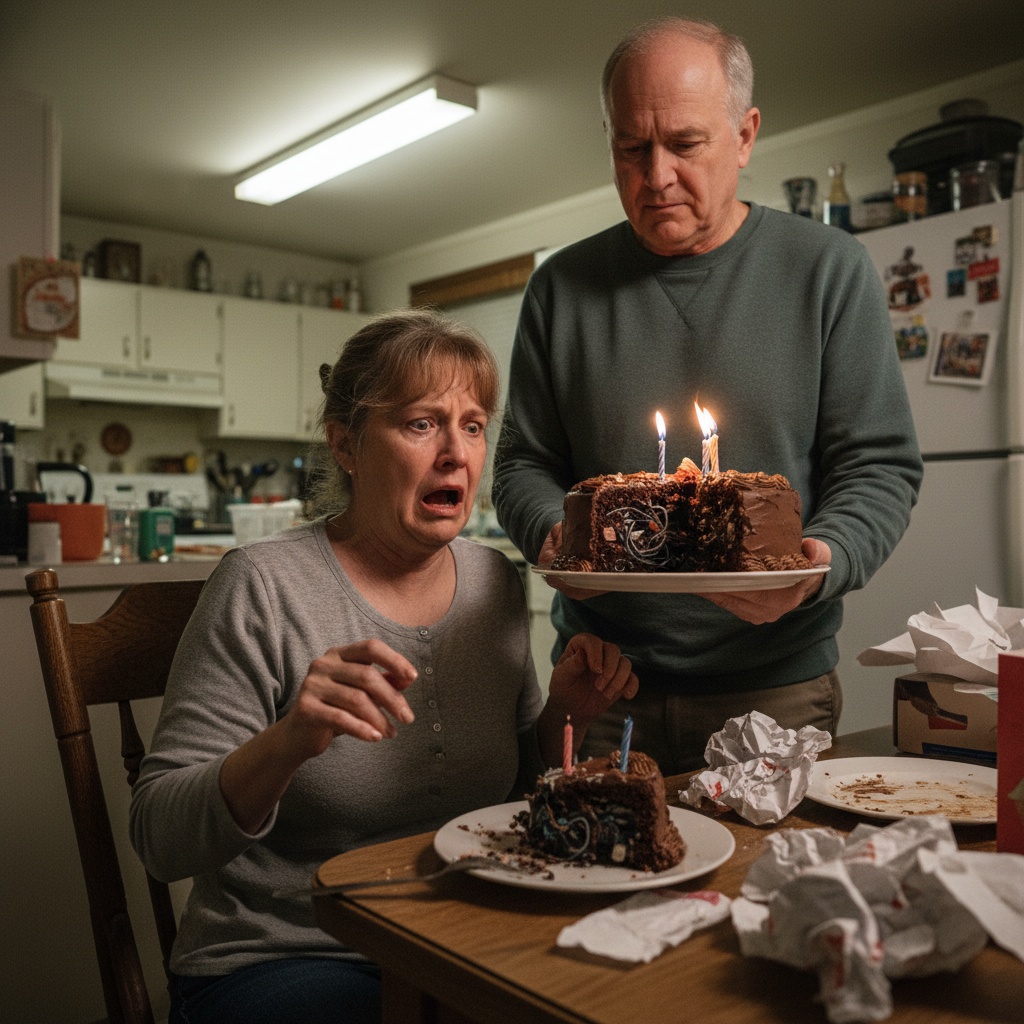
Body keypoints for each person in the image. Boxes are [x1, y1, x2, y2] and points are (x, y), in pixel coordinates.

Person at [130, 309, 637, 1024]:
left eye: (472, 425)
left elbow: (517, 790)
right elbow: (159, 837)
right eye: (421, 423)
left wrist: (565, 713)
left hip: (460, 941)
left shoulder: (494, 581)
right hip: (289, 955)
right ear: (346, 443)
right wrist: (288, 741)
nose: (456, 453)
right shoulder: (261, 585)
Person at [493, 16, 923, 774]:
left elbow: (879, 466)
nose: (656, 174)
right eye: (632, 147)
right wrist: (555, 533)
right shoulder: (560, 289)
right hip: (602, 686)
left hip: (775, 688)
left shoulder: (828, 271)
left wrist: (817, 564)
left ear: (745, 136)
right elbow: (523, 463)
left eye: (684, 144)